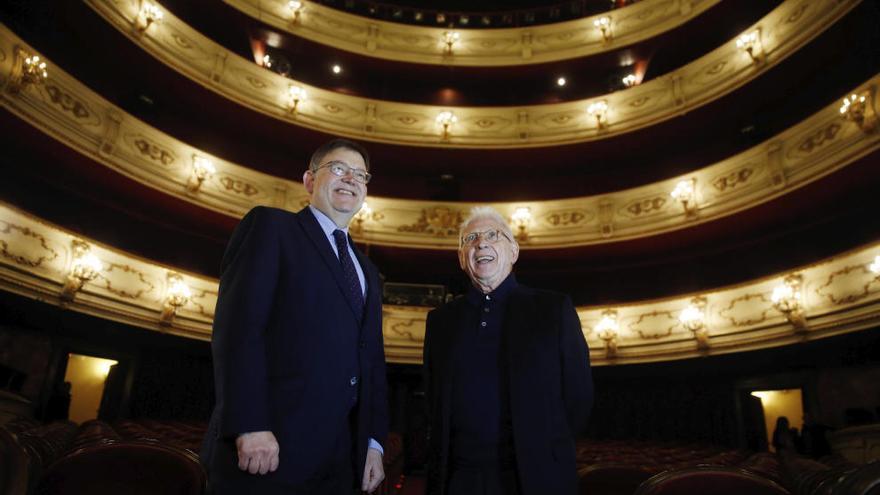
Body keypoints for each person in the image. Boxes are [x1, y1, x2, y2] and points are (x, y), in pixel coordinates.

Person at [201, 139, 388, 494]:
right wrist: (249, 424)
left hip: (342, 459)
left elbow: (372, 361)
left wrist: (374, 442)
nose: (350, 178)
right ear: (308, 181)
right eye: (338, 168)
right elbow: (239, 330)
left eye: (360, 175)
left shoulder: (367, 270)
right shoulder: (271, 227)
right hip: (270, 447)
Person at [423, 206, 594, 495]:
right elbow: (433, 397)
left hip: (534, 477)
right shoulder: (440, 321)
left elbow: (579, 396)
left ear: (514, 251)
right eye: (471, 238)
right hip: (460, 478)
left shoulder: (552, 309)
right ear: (462, 258)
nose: (481, 243)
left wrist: (545, 448)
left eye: (493, 235)